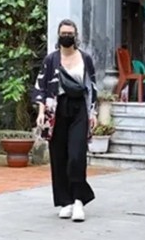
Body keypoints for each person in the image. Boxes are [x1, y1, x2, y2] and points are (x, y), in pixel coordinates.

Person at [32, 20, 97, 222]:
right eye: (63, 33)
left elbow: (91, 87)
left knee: (77, 155)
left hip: (79, 109)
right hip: (56, 109)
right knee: (58, 156)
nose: (66, 36)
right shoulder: (51, 60)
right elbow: (41, 87)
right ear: (58, 35)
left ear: (75, 36)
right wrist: (41, 112)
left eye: (70, 33)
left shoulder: (85, 59)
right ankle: (65, 201)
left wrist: (92, 112)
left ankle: (79, 200)